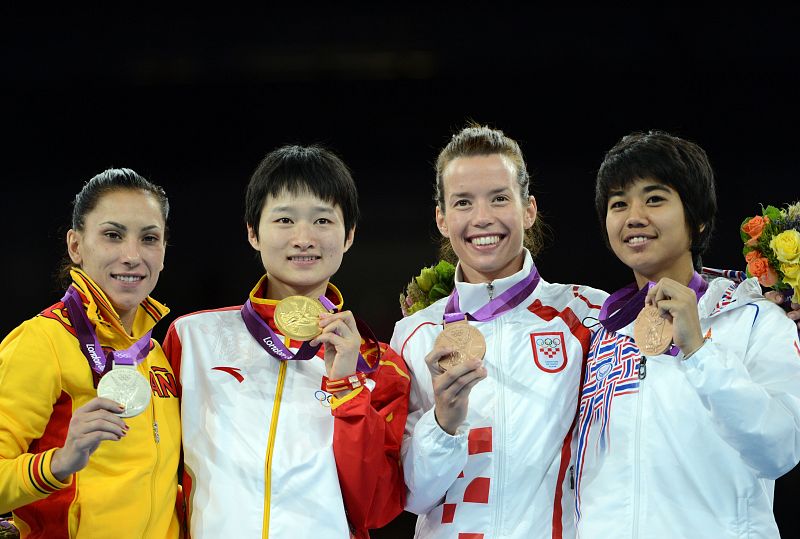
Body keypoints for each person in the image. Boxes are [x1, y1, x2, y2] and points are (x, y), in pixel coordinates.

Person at [163, 145, 410, 538]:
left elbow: (376, 508)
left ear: (348, 236)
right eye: (284, 219)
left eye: (323, 221)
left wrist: (346, 388)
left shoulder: (378, 364)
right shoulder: (192, 339)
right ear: (252, 232)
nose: (304, 238)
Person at [574, 131, 800, 538]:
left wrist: (699, 350)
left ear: (696, 220)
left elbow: (779, 449)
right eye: (618, 203)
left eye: (654, 199)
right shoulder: (597, 334)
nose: (634, 216)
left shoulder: (756, 321)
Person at [391, 125, 608, 538]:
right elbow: (412, 496)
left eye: (499, 198)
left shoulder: (587, 315)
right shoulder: (414, 334)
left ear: (528, 209)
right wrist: (443, 423)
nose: (482, 218)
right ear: (442, 218)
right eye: (463, 203)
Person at [0, 169, 181, 538]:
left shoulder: (157, 356)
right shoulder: (42, 341)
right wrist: (59, 464)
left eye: (149, 238)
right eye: (113, 235)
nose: (132, 256)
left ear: (163, 252)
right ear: (76, 246)